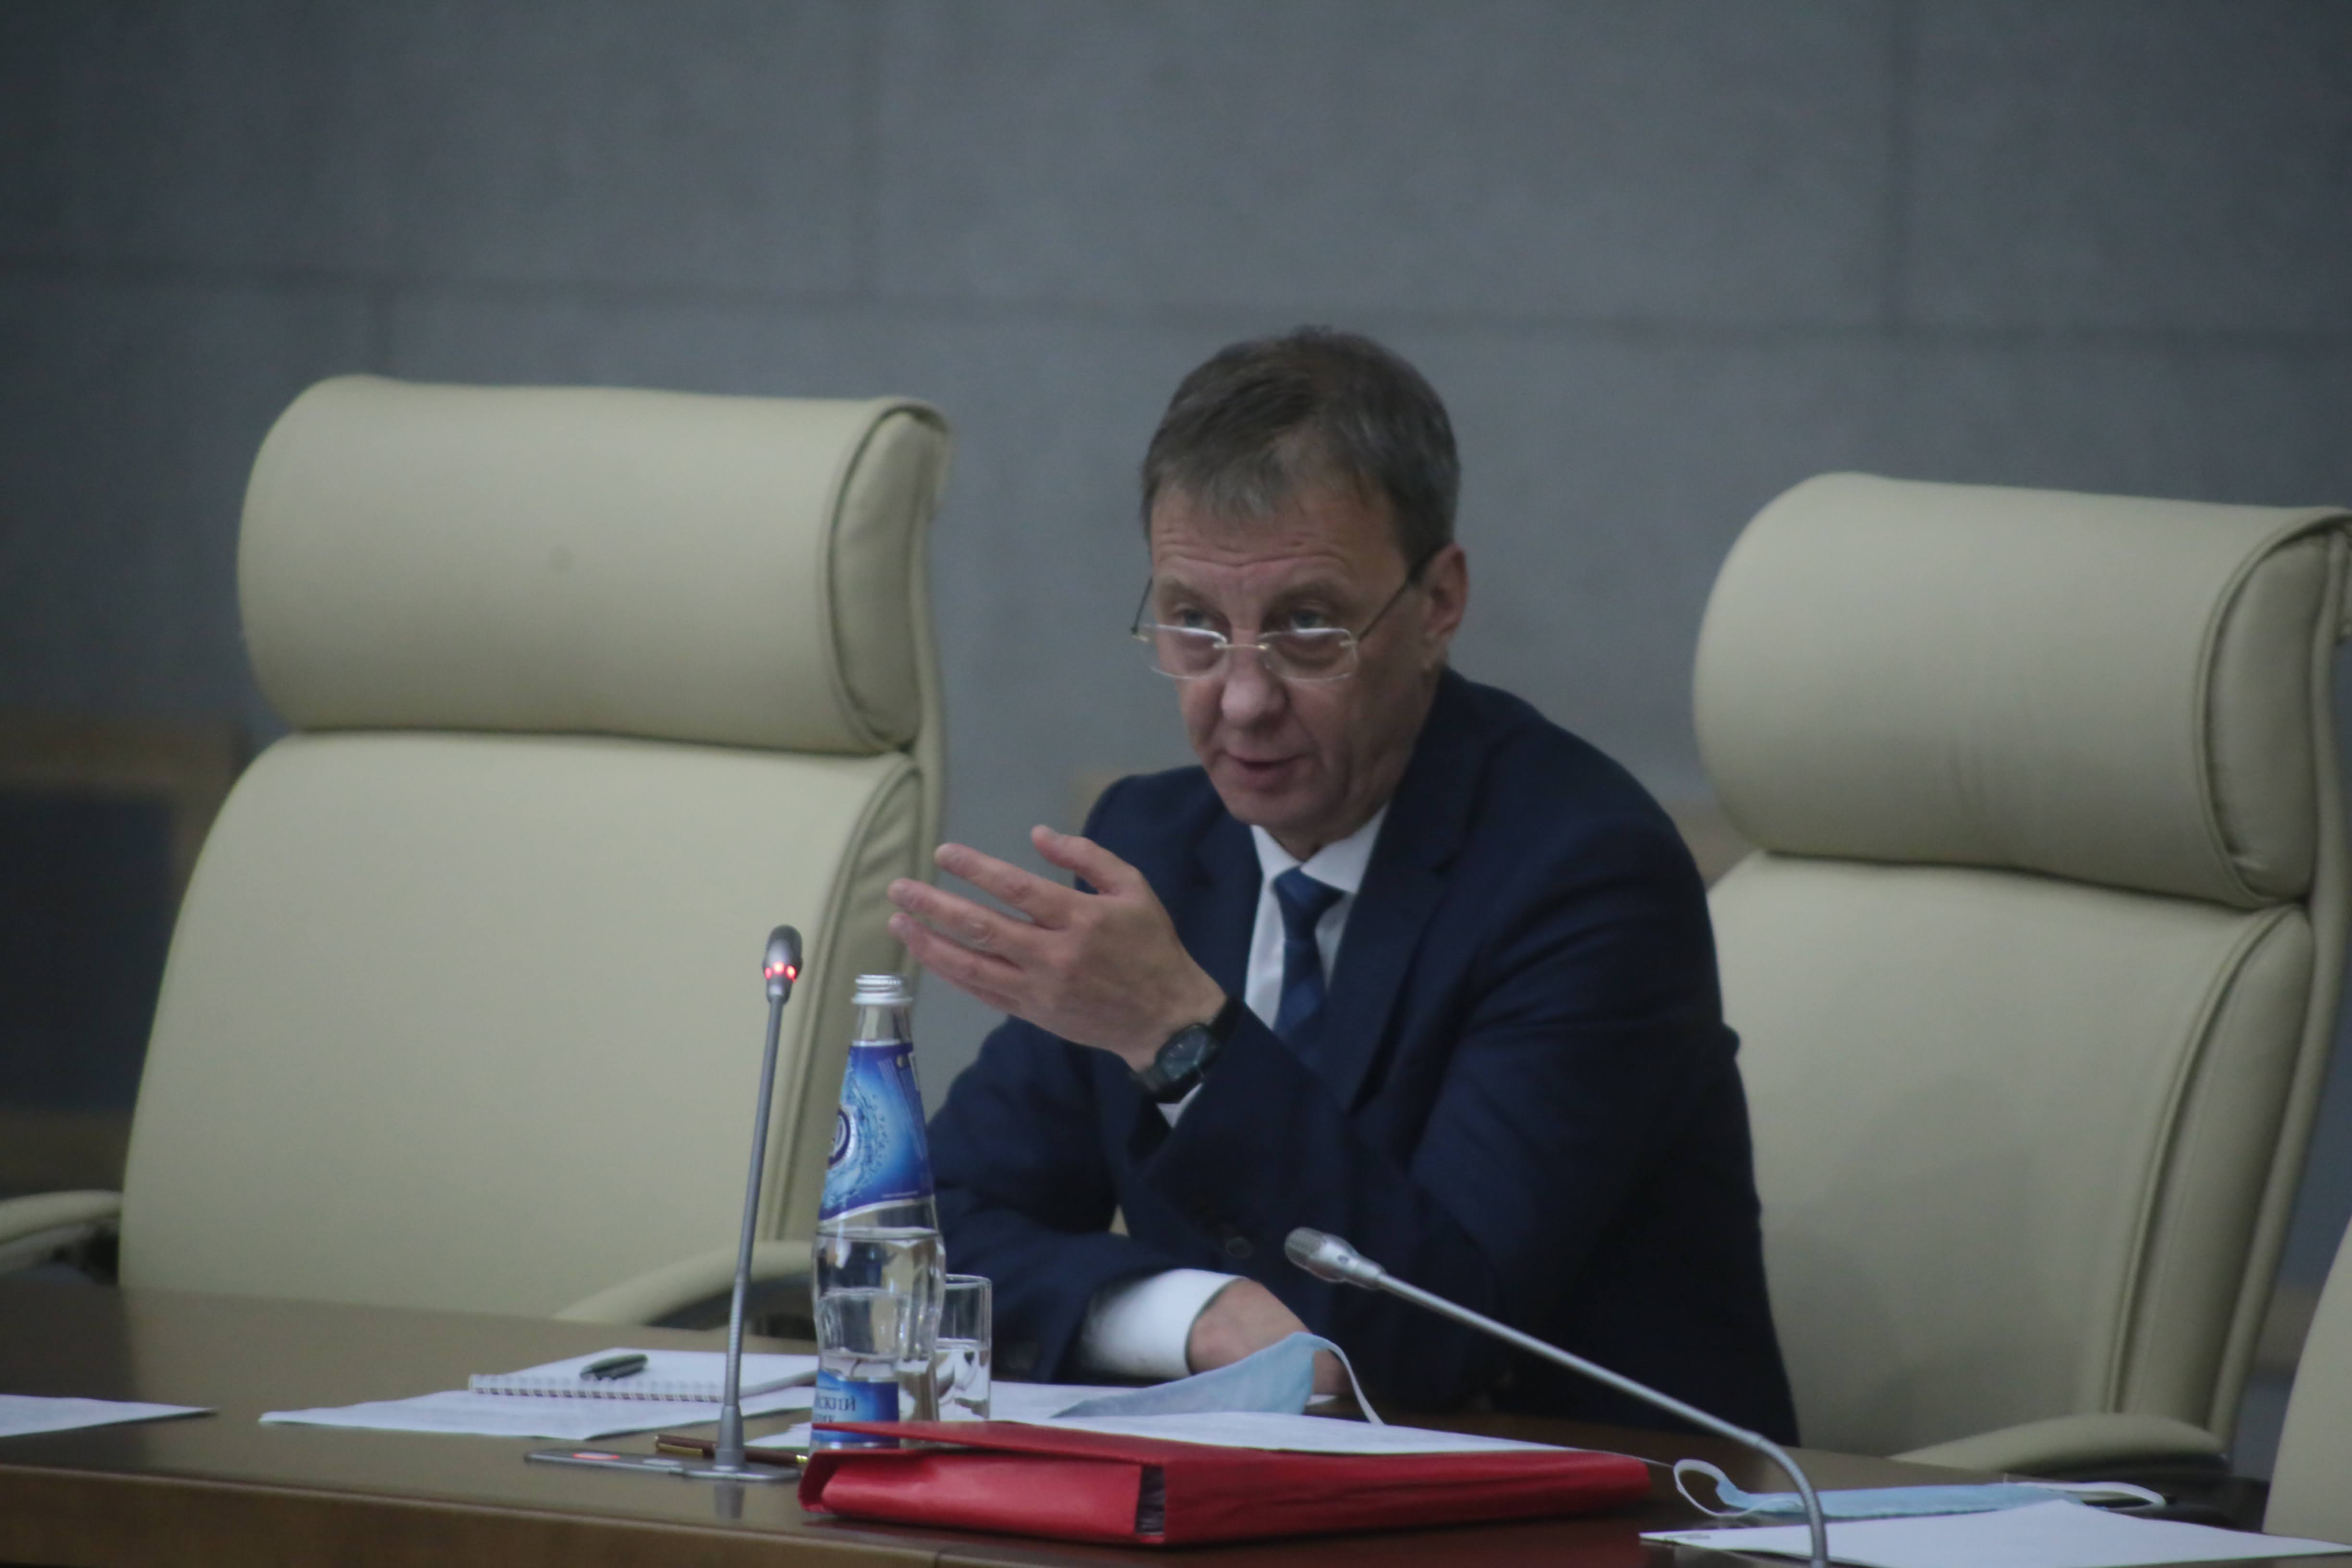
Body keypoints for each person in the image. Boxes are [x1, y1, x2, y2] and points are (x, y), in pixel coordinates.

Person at [891, 328, 1796, 1438]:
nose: (1240, 699)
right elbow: (926, 1236)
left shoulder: (1583, 876)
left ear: (1437, 603)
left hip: (1608, 1502)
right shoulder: (1154, 848)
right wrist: (1193, 1317)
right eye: (1194, 625)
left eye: (1307, 627)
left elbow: (1436, 1335)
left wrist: (1180, 1036)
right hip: (1237, 1493)